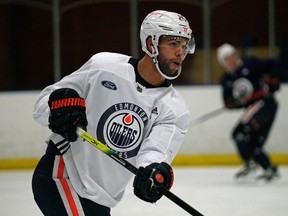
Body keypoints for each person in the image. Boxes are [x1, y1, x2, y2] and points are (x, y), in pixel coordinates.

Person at [32, 10, 195, 215]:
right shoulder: (104, 67)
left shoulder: (175, 110)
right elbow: (44, 102)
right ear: (151, 44)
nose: (181, 52)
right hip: (63, 175)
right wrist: (57, 110)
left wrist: (153, 171)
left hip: (102, 197)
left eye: (183, 45)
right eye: (173, 44)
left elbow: (154, 153)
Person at [217, 43, 282, 181]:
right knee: (251, 141)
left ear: (236, 55)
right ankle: (268, 168)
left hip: (265, 104)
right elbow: (228, 101)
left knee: (241, 132)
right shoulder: (227, 79)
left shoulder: (250, 64)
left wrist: (274, 80)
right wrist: (231, 104)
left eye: (231, 56)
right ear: (223, 63)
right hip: (256, 108)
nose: (230, 61)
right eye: (226, 59)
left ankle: (250, 163)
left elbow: (275, 65)